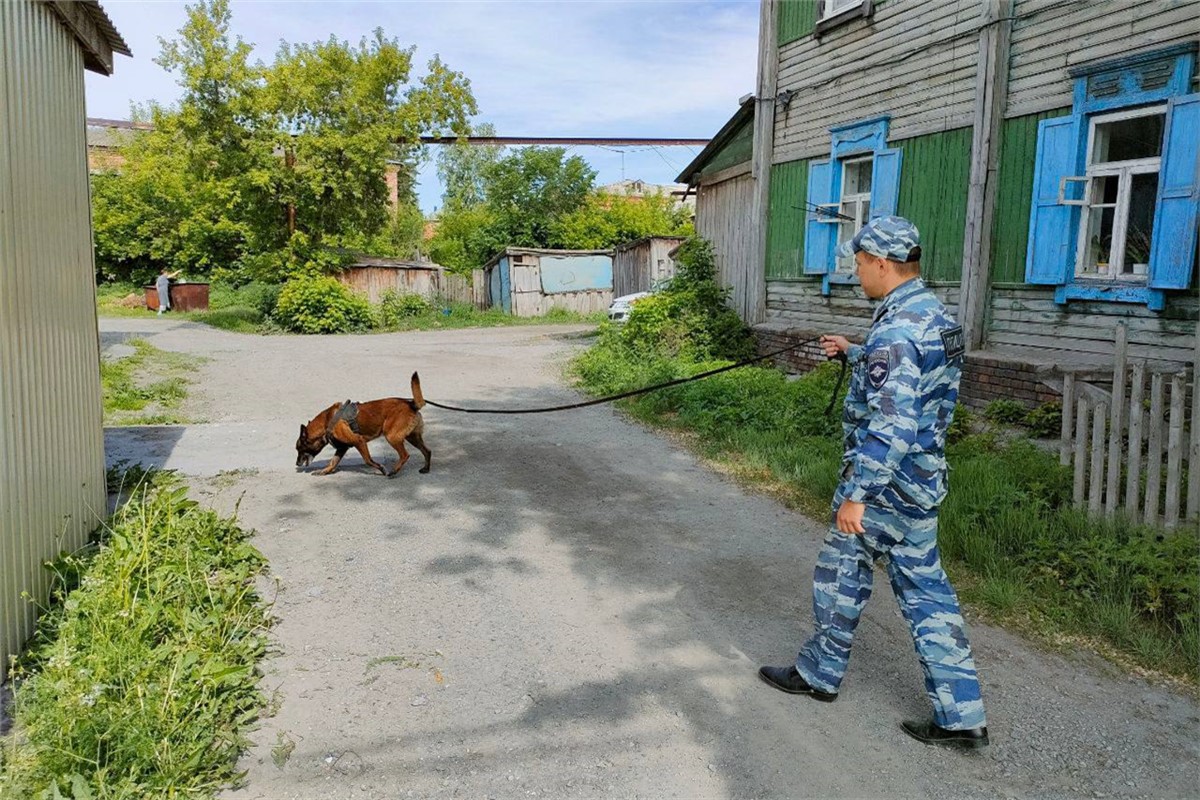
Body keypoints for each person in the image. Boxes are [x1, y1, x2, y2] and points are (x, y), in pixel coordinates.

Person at [758, 215, 988, 749]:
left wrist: (858, 494)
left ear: (882, 264)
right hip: (922, 485)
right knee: (929, 596)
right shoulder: (936, 318)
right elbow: (917, 385)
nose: (856, 273)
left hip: (884, 489)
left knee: (840, 575)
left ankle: (818, 675)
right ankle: (962, 716)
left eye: (860, 264)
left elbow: (892, 423)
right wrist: (857, 353)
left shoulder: (896, 332)